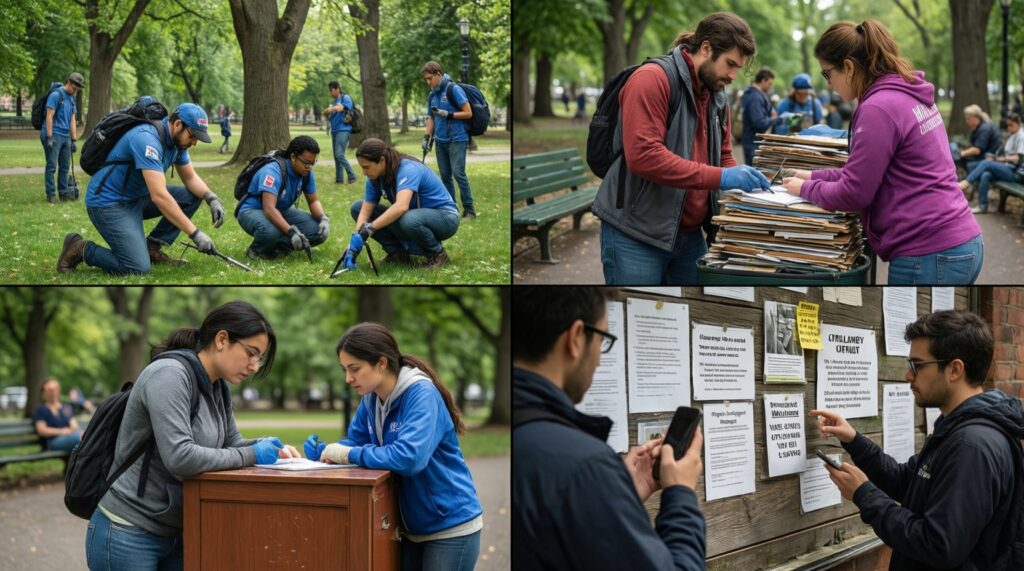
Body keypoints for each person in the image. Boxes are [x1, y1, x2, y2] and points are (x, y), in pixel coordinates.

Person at [84, 301, 300, 570]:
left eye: (260, 358)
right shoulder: (169, 375)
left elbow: (231, 445)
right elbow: (180, 456)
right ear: (222, 339)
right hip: (127, 532)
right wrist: (253, 453)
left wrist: (268, 447)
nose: (255, 366)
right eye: (251, 353)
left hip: (177, 531)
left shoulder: (217, 384)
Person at [811, 310, 1024, 571]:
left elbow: (938, 545)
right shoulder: (956, 429)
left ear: (954, 369)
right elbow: (905, 481)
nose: (907, 376)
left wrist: (864, 495)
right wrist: (854, 440)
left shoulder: (972, 446)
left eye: (917, 365)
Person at [513, 287, 706, 569]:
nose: (600, 358)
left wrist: (619, 491)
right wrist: (680, 495)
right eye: (603, 338)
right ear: (577, 338)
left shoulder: (518, 426)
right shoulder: (584, 464)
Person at [781, 19, 983, 284]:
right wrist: (811, 175)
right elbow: (862, 173)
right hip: (960, 241)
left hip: (928, 252)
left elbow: (854, 193)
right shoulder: (905, 93)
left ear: (849, 67)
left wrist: (804, 189)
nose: (828, 84)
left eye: (827, 73)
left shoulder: (877, 108)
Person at [591, 12, 769, 285]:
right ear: (706, 48)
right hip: (635, 233)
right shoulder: (652, 79)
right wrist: (721, 177)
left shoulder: (716, 94)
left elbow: (722, 155)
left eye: (738, 67)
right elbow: (644, 157)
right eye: (730, 64)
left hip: (689, 237)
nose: (734, 75)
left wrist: (744, 194)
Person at [306, 322, 482, 571]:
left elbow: (409, 458)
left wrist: (347, 453)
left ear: (381, 363)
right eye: (344, 369)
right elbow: (356, 443)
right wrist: (326, 451)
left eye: (354, 369)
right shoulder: (370, 398)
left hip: (450, 527)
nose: (348, 378)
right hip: (410, 528)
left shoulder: (421, 395)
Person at [56, 102, 226, 276]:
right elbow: (159, 196)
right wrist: (195, 234)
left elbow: (190, 177)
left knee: (192, 196)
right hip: (108, 204)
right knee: (137, 268)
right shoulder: (147, 139)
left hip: (136, 198)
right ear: (177, 124)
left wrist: (210, 197)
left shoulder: (177, 142)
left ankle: (152, 248)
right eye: (193, 136)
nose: (195, 142)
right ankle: (79, 248)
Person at [348, 137, 459, 269]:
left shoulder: (408, 168)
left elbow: (401, 207)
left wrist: (369, 229)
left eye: (367, 167)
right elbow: (366, 211)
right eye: (361, 167)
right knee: (357, 207)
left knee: (409, 219)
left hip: (445, 217)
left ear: (382, 160)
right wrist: (354, 242)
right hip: (414, 217)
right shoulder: (374, 177)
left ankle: (438, 254)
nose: (364, 172)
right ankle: (398, 254)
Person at [235, 135, 330, 260]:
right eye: (307, 163)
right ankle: (255, 251)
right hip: (252, 210)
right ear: (293, 157)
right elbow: (269, 209)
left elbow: (313, 201)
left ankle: (277, 249)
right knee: (271, 231)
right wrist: (292, 232)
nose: (310, 167)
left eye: (313, 163)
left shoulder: (306, 173)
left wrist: (323, 219)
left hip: (280, 210)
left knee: (317, 231)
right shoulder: (272, 172)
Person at [422, 61, 477, 220]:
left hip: (457, 139)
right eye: (426, 79)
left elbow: (468, 113)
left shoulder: (454, 89)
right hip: (440, 140)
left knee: (458, 174)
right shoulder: (432, 94)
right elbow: (431, 117)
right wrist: (426, 138)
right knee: (445, 176)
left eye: (430, 78)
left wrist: (449, 114)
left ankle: (469, 210)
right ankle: (451, 208)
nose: (428, 82)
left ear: (438, 74)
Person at [958, 112, 1024, 214]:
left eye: (1011, 125)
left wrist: (997, 159)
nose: (1009, 128)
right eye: (1008, 125)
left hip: (1016, 173)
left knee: (986, 163)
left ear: (1018, 123)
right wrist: (995, 157)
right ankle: (982, 206)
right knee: (985, 175)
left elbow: (1017, 158)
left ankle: (966, 183)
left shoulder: (1021, 136)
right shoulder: (1013, 135)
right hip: (1008, 169)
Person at [41, 72, 84, 203]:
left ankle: (63, 193)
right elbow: (49, 116)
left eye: (78, 89)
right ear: (69, 83)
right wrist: (49, 137)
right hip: (53, 134)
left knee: (65, 167)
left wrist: (74, 139)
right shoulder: (56, 95)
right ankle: (51, 194)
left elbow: (72, 119)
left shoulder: (71, 99)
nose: (76, 91)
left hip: (66, 136)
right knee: (52, 165)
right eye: (75, 88)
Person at [740, 66, 789, 164]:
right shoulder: (755, 97)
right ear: (763, 80)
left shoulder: (754, 95)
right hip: (753, 143)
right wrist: (780, 119)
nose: (770, 87)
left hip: (752, 142)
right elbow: (759, 122)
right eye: (769, 84)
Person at [322, 80, 357, 185]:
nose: (330, 93)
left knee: (339, 154)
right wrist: (328, 112)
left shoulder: (345, 98)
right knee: (336, 157)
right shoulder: (334, 102)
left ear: (337, 88)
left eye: (331, 90)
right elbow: (329, 113)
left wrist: (330, 109)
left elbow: (341, 108)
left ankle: (352, 176)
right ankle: (339, 180)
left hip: (344, 129)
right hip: (335, 130)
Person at [33, 378, 83, 452]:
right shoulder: (42, 410)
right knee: (81, 438)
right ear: (44, 392)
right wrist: (61, 431)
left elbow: (74, 426)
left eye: (55, 389)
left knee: (87, 437)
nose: (53, 392)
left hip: (70, 437)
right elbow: (42, 430)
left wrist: (70, 431)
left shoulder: (65, 408)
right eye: (49, 390)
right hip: (52, 441)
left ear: (59, 390)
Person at [957, 104, 1002, 173]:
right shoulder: (978, 126)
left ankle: (967, 181)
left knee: (964, 161)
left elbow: (977, 150)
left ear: (975, 117)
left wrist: (961, 153)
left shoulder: (984, 128)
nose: (967, 121)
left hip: (990, 158)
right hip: (983, 157)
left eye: (968, 118)